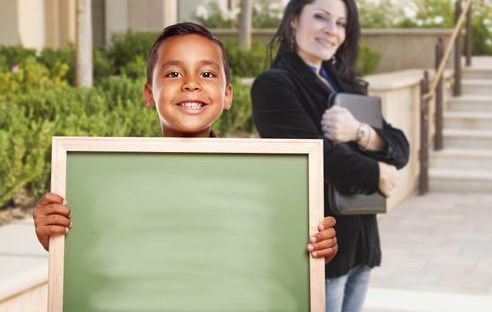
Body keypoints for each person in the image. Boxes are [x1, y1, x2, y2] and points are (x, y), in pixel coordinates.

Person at [32, 22, 338, 264]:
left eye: (206, 73)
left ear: (227, 95)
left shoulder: (266, 180)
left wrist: (318, 250)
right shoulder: (112, 181)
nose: (191, 83)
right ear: (149, 94)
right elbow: (98, 256)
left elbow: (279, 253)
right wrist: (56, 238)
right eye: (174, 73)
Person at [251, 0, 410, 312]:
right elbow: (314, 156)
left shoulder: (346, 83)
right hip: (323, 249)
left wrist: (360, 132)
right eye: (321, 17)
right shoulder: (274, 85)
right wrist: (377, 172)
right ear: (294, 19)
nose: (331, 31)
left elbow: (400, 146)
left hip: (361, 243)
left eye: (341, 23)